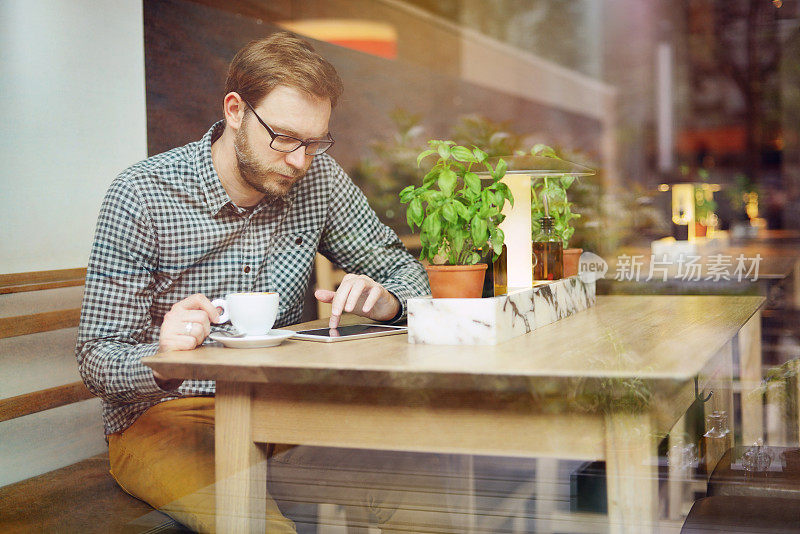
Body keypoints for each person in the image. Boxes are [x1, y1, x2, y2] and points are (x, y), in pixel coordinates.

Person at [75, 32, 462, 533]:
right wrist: (164, 360)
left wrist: (388, 302)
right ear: (235, 110)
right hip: (166, 418)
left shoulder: (317, 178)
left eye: (315, 141)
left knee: (422, 500)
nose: (300, 160)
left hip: (283, 409)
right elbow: (95, 355)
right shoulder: (143, 195)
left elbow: (405, 274)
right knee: (258, 526)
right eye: (283, 137)